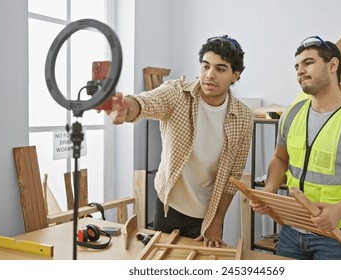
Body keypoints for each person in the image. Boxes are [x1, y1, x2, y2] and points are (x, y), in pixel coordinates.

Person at [249, 35, 341, 259]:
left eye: (308, 63)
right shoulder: (291, 114)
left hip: (338, 237)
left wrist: (340, 211)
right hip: (291, 231)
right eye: (297, 66)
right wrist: (268, 194)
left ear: (332, 65)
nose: (300, 70)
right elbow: (280, 158)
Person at [105, 35, 253, 248]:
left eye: (220, 69)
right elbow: (145, 103)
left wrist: (217, 221)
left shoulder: (243, 117)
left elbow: (233, 177)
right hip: (168, 206)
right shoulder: (177, 93)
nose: (210, 75)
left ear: (235, 76)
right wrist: (125, 106)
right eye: (205, 66)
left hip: (206, 213)